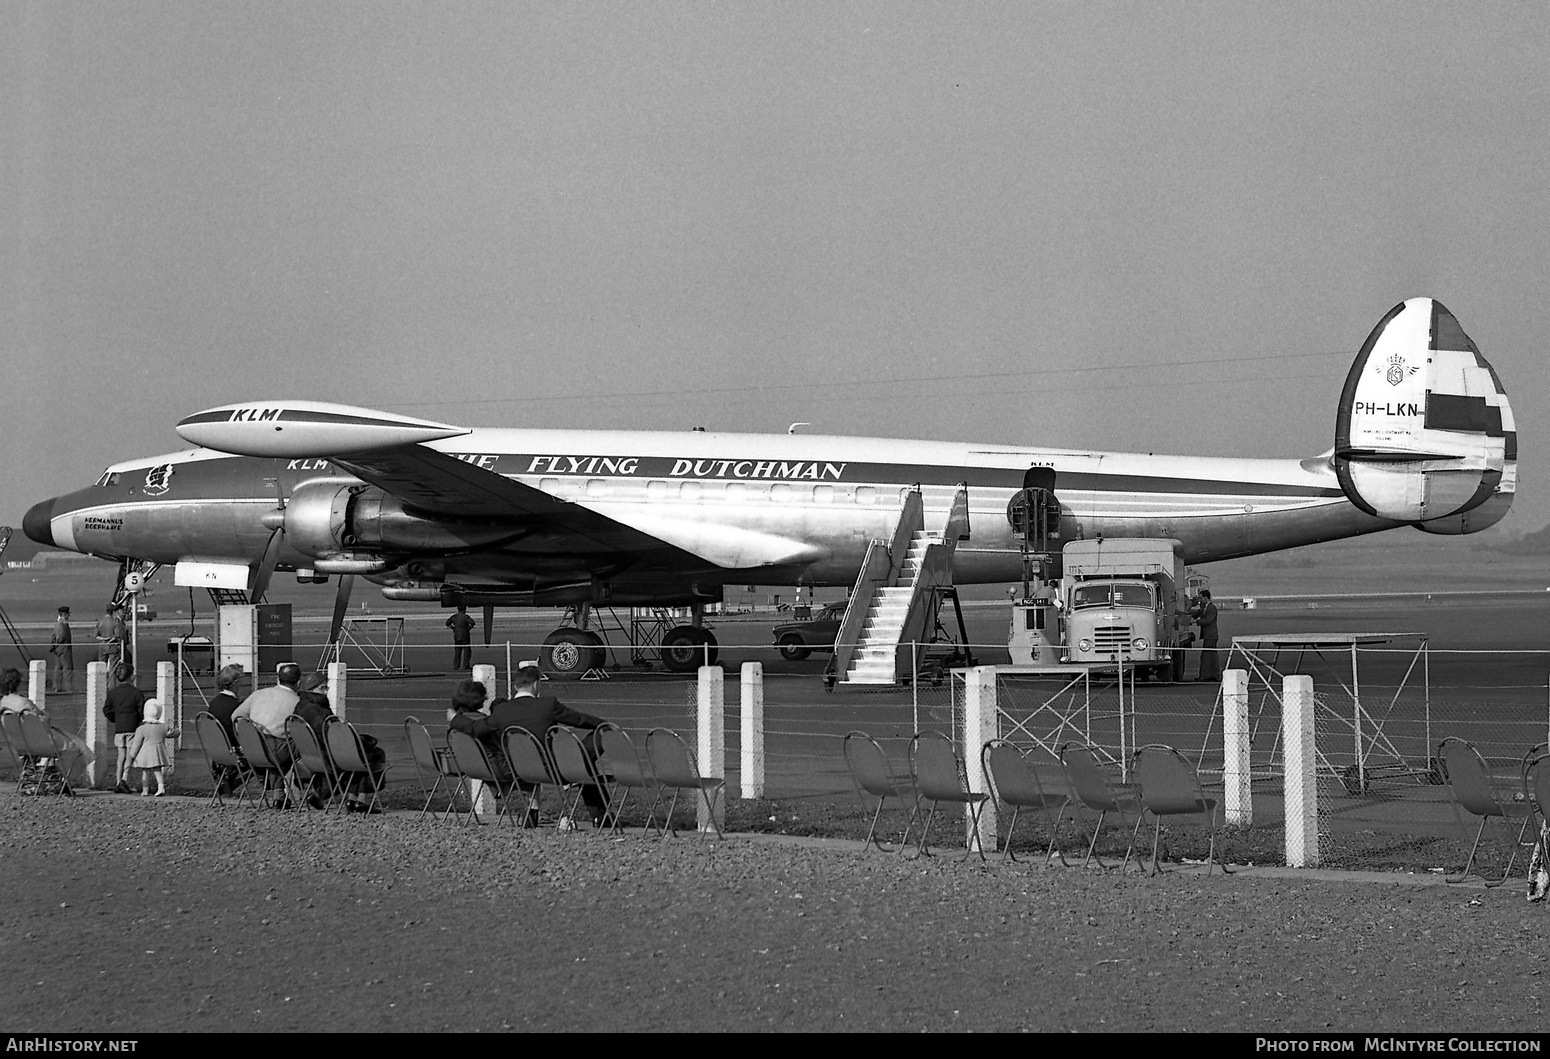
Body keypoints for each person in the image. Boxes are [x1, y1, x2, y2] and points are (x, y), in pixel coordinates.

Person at [487, 661, 611, 826]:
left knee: (584, 764)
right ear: (536, 684)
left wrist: (456, 718)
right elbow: (579, 719)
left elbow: (477, 728)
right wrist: (604, 724)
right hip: (555, 768)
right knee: (597, 740)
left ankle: (532, 815)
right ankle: (601, 816)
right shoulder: (547, 704)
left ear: (516, 687)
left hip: (520, 769)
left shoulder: (502, 711)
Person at [103, 662, 146, 793]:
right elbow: (141, 710)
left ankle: (118, 781)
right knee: (130, 756)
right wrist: (139, 721)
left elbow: (107, 709)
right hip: (132, 728)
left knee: (120, 756)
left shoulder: (112, 693)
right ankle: (124, 780)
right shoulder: (136, 693)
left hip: (119, 728)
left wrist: (114, 719)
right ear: (131, 677)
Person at [205, 664, 246, 795]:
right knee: (265, 756)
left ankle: (227, 784)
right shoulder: (236, 706)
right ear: (236, 683)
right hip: (235, 752)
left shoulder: (214, 703)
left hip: (216, 752)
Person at [126, 699, 179, 797]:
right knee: (157, 771)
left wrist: (132, 755)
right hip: (158, 752)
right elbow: (173, 734)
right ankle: (161, 788)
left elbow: (136, 744)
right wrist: (177, 729)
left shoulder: (141, 729)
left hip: (145, 754)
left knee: (145, 772)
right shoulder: (164, 727)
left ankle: (145, 790)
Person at [1193, 589, 1221, 682]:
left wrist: (1196, 622)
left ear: (1206, 597)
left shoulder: (1211, 608)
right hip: (1209, 636)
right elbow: (1198, 613)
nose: (1200, 600)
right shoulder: (1205, 607)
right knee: (1212, 656)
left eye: (1201, 598)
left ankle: (1205, 675)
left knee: (1206, 656)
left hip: (1211, 635)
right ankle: (1214, 675)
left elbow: (1208, 620)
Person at [48, 606, 74, 694]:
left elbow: (53, 636)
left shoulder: (57, 624)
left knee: (58, 667)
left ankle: (56, 687)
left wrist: (53, 646)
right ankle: (69, 688)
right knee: (67, 667)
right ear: (65, 614)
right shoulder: (63, 624)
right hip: (64, 649)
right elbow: (60, 637)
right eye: (68, 614)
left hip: (58, 649)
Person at [94, 604, 126, 669]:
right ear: (113, 612)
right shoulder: (115, 622)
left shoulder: (100, 621)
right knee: (113, 667)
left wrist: (103, 639)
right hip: (113, 647)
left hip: (102, 647)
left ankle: (101, 678)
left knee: (101, 666)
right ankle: (111, 678)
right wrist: (109, 640)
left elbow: (96, 635)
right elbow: (117, 636)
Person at [445, 604, 476, 670]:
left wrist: (453, 628)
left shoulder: (454, 617)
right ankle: (465, 665)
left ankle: (456, 666)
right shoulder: (466, 617)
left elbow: (447, 623)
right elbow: (472, 622)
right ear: (464, 609)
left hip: (457, 635)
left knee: (457, 651)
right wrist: (469, 628)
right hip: (465, 635)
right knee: (467, 650)